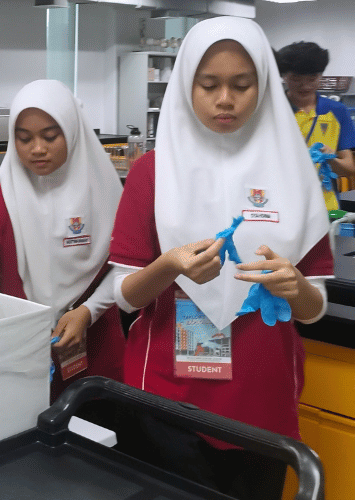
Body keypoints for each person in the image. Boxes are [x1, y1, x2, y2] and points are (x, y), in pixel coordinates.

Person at [109, 17, 333, 500]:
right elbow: (123, 297)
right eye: (208, 85)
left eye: (241, 85)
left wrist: (297, 289)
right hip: (167, 394)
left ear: (265, 87)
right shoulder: (153, 172)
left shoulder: (295, 175)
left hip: (263, 395)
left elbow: (315, 311)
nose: (225, 100)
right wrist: (169, 265)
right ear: (186, 85)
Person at [0, 79, 125, 400]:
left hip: (96, 348)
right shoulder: (2, 196)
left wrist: (89, 311)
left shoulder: (105, 192)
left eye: (50, 136)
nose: (37, 148)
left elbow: (127, 266)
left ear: (71, 131)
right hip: (22, 350)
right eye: (24, 139)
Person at [275, 41, 355, 211]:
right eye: (296, 78)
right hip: (280, 203)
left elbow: (349, 168)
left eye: (312, 79)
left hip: (324, 205)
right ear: (283, 76)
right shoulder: (272, 110)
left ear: (321, 76)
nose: (305, 86)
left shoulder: (337, 111)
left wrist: (330, 158)